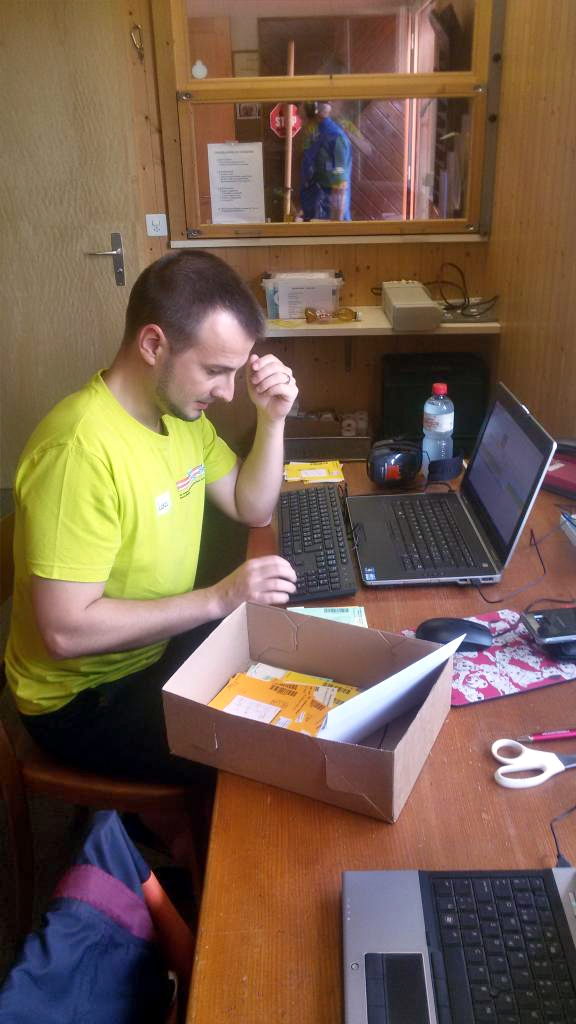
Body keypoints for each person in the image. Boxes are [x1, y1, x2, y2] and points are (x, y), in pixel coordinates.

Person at [5, 250, 299, 788]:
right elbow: (64, 632)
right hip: (85, 700)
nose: (227, 392)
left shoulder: (180, 416)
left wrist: (272, 419)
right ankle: (144, 836)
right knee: (266, 760)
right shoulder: (78, 453)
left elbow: (251, 506)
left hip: (154, 649)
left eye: (235, 372)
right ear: (152, 344)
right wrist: (219, 598)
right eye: (215, 370)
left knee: (290, 673)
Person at [299, 101, 352, 221]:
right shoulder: (317, 135)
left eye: (301, 104)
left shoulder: (335, 137)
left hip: (327, 220)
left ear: (314, 108)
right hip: (315, 215)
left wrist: (334, 227)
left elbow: (340, 187)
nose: (298, 111)